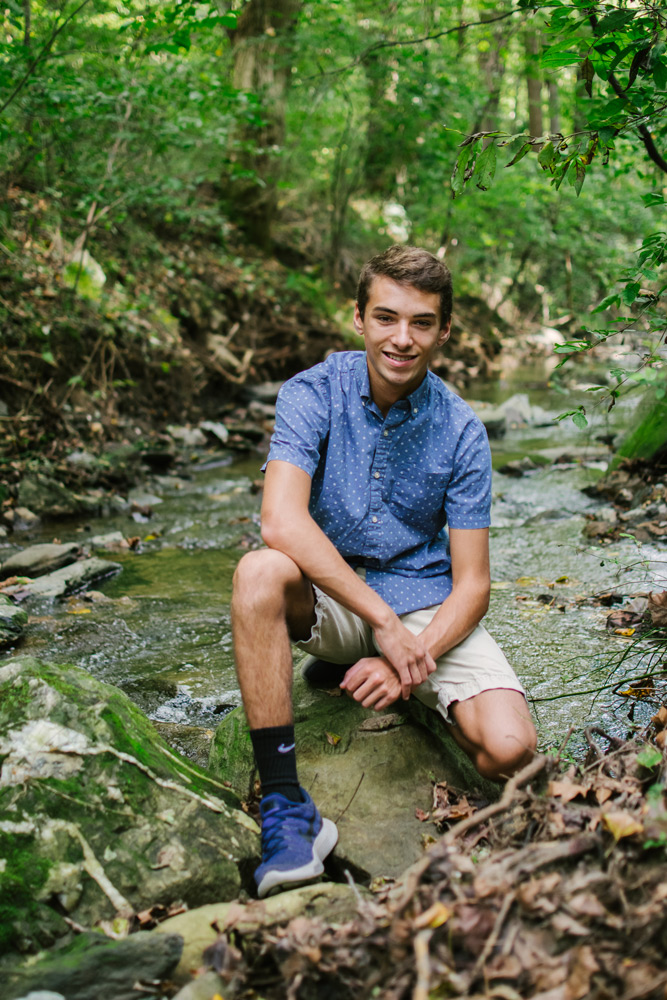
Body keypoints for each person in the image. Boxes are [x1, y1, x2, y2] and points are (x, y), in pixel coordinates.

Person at [231, 244, 537, 899]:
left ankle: (396, 682)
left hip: (423, 603)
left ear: (444, 330)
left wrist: (411, 657)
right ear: (359, 319)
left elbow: (473, 583)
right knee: (258, 574)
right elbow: (281, 523)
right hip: (332, 598)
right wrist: (379, 625)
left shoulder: (460, 429)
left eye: (421, 322)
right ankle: (287, 810)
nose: (402, 339)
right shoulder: (311, 393)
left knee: (510, 750)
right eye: (386, 318)